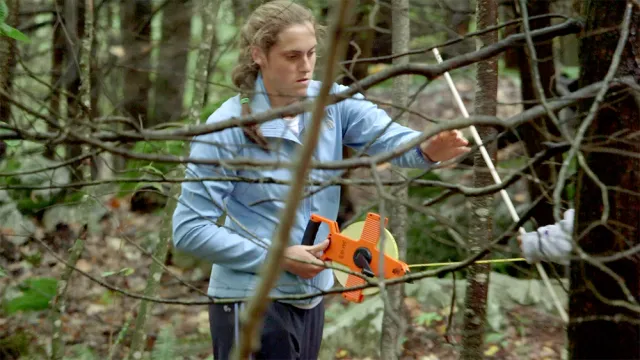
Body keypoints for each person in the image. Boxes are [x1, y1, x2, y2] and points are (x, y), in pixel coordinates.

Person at [171, 1, 471, 359]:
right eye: (292, 55)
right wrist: (277, 256)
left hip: (311, 296)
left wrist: (428, 149)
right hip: (249, 299)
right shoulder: (227, 128)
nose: (307, 65)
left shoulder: (332, 101)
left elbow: (390, 138)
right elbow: (189, 230)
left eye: (312, 53)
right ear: (258, 55)